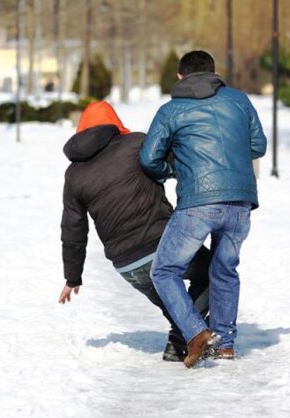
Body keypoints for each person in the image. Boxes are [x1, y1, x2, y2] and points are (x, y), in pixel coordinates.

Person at [140, 50, 267, 368]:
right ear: (214, 73)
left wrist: (173, 168)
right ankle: (224, 344)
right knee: (225, 270)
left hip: (198, 203)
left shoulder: (171, 110)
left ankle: (196, 332)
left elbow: (148, 158)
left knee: (165, 270)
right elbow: (258, 146)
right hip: (240, 201)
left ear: (180, 76)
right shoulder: (239, 100)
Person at [60, 101, 211, 362]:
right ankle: (181, 337)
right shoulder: (137, 144)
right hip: (164, 245)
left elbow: (73, 229)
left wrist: (72, 277)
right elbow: (180, 164)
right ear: (115, 123)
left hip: (127, 265)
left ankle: (181, 342)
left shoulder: (74, 174)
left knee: (176, 306)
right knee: (214, 272)